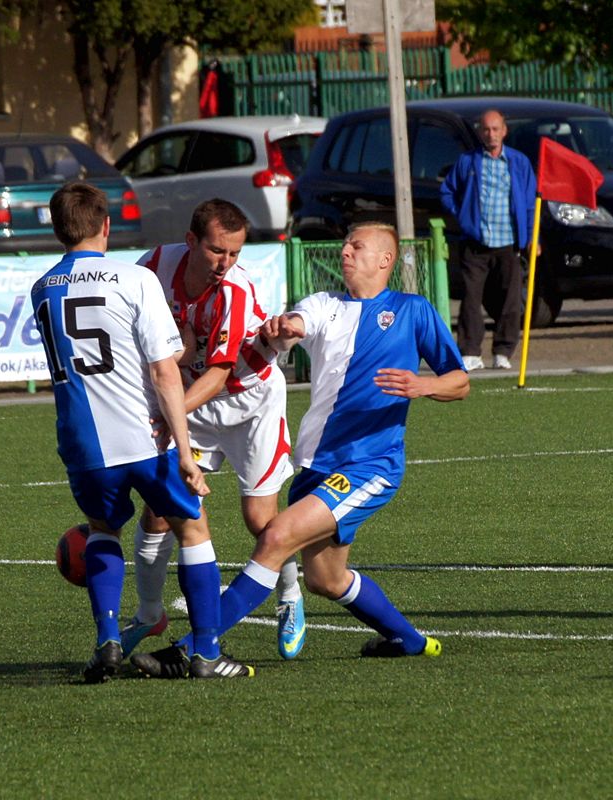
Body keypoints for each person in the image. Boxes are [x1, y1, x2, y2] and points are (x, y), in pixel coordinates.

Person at [132, 222, 469, 678]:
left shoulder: (413, 310)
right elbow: (298, 322)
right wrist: (285, 327)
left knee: (275, 537)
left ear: (385, 260)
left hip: (370, 465)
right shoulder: (325, 304)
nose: (345, 252)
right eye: (345, 245)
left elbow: (460, 382)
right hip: (314, 466)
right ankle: (409, 640)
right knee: (326, 579)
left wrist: (423, 385)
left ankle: (194, 648)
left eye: (356, 246)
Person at [31, 182, 254, 682]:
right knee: (192, 527)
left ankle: (108, 638)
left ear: (58, 229)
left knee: (102, 530)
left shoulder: (42, 288)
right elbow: (163, 371)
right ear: (107, 225)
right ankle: (206, 653)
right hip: (144, 435)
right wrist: (186, 451)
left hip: (81, 440)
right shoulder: (136, 278)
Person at [120, 198, 307, 661]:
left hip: (250, 401)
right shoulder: (152, 268)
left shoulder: (234, 291)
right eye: (217, 251)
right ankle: (148, 614)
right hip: (191, 401)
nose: (226, 263)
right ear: (190, 241)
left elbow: (220, 375)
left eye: (235, 253)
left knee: (260, 521)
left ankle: (289, 595)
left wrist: (169, 412)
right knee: (160, 511)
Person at [440, 108, 537, 371]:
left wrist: (531, 237)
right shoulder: (468, 162)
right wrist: (463, 215)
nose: (491, 134)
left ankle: (503, 351)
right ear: (480, 132)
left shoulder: (519, 162)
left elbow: (530, 203)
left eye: (495, 129)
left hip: (509, 243)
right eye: (486, 129)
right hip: (476, 242)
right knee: (471, 298)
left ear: (504, 131)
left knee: (510, 300)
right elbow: (447, 191)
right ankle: (470, 351)